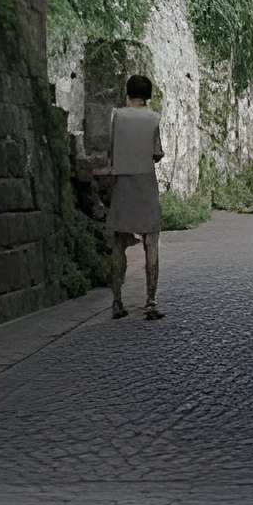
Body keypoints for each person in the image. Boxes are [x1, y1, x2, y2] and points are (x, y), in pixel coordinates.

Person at [105, 72, 165, 322]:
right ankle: (150, 302)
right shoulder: (153, 118)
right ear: (148, 96)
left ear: (128, 93)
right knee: (150, 242)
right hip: (145, 182)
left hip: (122, 182)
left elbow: (111, 149)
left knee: (118, 243)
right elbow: (157, 153)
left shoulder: (116, 116)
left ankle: (117, 302)